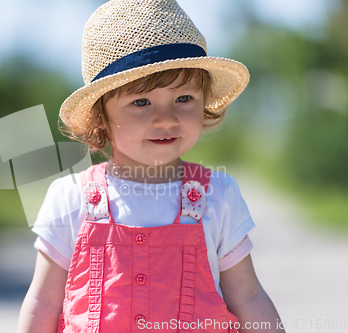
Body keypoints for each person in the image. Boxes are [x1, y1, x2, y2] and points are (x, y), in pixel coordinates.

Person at [18, 0, 285, 332]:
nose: (166, 119)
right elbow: (43, 300)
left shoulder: (217, 195)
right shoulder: (71, 198)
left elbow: (247, 297)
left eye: (183, 99)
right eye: (141, 102)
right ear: (101, 117)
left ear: (204, 104)